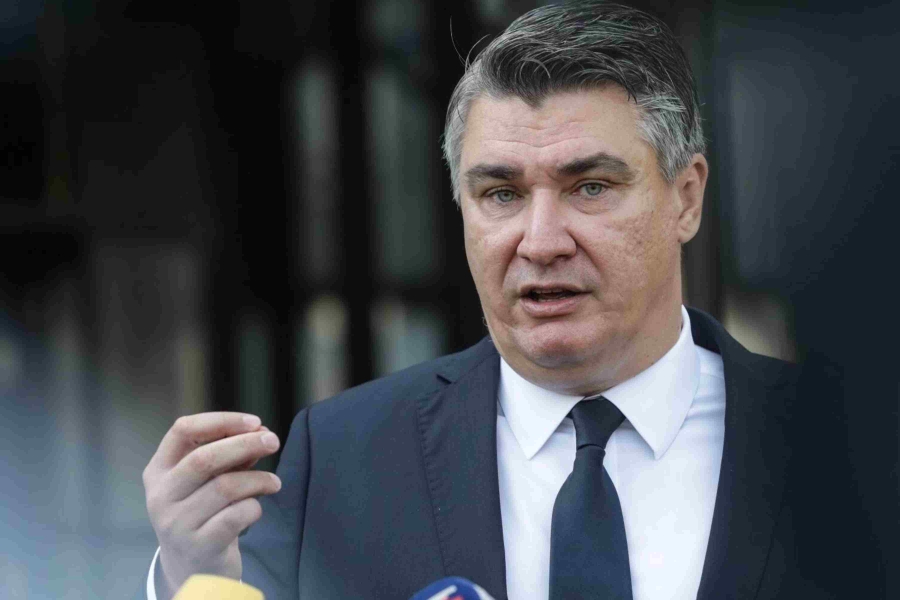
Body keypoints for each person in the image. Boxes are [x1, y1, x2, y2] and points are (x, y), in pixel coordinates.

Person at [141, 3, 834, 599]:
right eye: (501, 194)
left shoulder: (845, 447)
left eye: (590, 187)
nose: (541, 241)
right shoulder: (345, 459)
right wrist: (194, 574)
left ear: (686, 198)